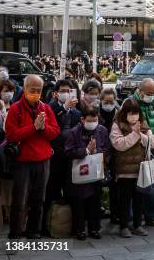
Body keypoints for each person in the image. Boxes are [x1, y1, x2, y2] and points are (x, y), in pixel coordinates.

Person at [5, 75, 60, 239]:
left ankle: (33, 231)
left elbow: (55, 132)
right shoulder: (15, 109)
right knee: (20, 201)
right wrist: (33, 127)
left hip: (43, 161)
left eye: (39, 90)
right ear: (25, 88)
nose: (36, 93)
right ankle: (15, 233)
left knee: (39, 199)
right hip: (23, 162)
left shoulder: (45, 108)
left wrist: (42, 128)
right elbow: (11, 135)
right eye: (32, 90)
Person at [110, 99, 154, 238]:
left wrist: (141, 134)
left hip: (140, 169)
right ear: (125, 113)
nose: (133, 116)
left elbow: (150, 142)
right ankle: (124, 226)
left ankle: (137, 225)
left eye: (135, 113)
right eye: (130, 113)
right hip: (124, 170)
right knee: (124, 199)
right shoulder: (117, 125)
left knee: (138, 199)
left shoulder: (143, 124)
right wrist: (135, 134)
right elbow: (119, 144)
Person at [64, 106, 110, 240]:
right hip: (80, 173)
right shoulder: (74, 132)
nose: (93, 123)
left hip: (96, 172)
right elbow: (68, 152)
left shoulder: (102, 130)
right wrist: (86, 151)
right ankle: (80, 230)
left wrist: (99, 153)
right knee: (79, 203)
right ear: (82, 119)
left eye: (95, 120)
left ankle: (94, 229)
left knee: (95, 202)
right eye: (90, 121)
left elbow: (108, 148)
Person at [44, 79, 81, 236]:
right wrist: (64, 108)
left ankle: (72, 226)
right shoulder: (50, 108)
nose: (66, 93)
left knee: (72, 191)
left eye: (69, 91)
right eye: (63, 91)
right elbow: (51, 126)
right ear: (55, 93)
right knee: (51, 190)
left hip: (71, 157)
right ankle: (46, 225)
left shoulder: (77, 112)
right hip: (55, 156)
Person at [130, 78, 154, 227]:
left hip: (151, 149)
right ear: (140, 91)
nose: (151, 95)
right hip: (133, 149)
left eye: (153, 93)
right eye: (148, 93)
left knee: (151, 183)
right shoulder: (130, 102)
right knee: (133, 185)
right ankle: (132, 218)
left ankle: (152, 216)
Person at [98, 87, 119, 228]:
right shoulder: (96, 113)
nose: (109, 104)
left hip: (115, 155)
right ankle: (97, 213)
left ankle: (115, 215)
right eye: (106, 101)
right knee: (97, 186)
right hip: (99, 154)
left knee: (115, 187)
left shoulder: (118, 114)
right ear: (101, 101)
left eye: (111, 101)